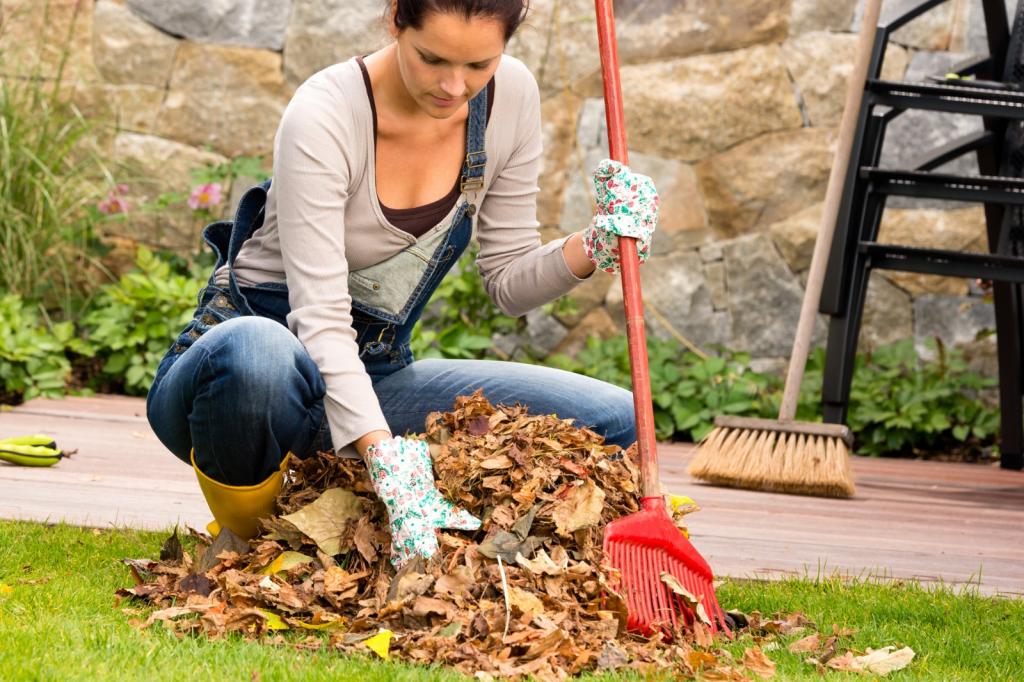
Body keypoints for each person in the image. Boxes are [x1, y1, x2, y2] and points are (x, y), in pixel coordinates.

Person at [146, 0, 659, 569]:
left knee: (617, 417)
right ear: (396, 20)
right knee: (257, 354)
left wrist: (595, 244)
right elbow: (318, 320)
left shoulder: (511, 97)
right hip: (237, 390)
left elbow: (510, 282)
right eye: (432, 58)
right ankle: (249, 544)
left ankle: (418, 534)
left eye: (479, 65)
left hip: (370, 374)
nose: (453, 86)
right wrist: (389, 462)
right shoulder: (325, 113)